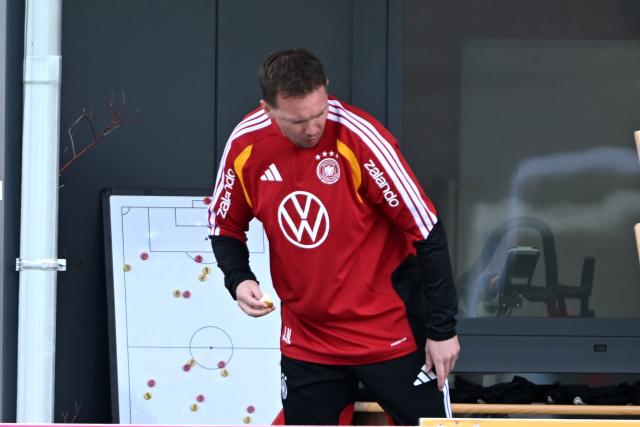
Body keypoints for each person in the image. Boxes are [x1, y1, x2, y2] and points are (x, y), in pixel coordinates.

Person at [208, 48, 460, 425]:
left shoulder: (362, 139)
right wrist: (238, 278)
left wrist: (443, 331)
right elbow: (224, 226)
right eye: (296, 121)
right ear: (267, 108)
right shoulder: (246, 144)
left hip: (388, 333)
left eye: (319, 113)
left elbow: (427, 231)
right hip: (308, 341)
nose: (312, 129)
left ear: (326, 89)